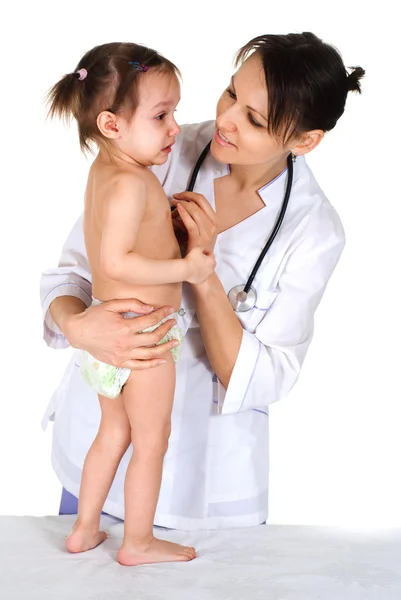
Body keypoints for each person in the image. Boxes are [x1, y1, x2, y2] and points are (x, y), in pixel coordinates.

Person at [40, 32, 365, 532]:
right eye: (231, 93)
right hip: (96, 447)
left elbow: (265, 378)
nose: (226, 120)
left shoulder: (314, 230)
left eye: (254, 119)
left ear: (304, 140)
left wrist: (203, 271)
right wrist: (78, 327)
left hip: (207, 482)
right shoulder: (161, 144)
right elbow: (75, 273)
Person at [45, 42, 216, 564]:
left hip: (108, 334)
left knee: (113, 430)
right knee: (151, 440)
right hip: (142, 335)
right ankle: (137, 543)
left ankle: (84, 529)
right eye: (162, 115)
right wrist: (188, 269)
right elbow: (116, 263)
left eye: (176, 113)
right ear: (112, 125)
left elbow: (116, 253)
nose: (174, 129)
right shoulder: (132, 184)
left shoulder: (107, 173)